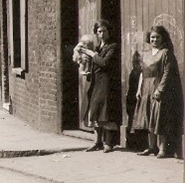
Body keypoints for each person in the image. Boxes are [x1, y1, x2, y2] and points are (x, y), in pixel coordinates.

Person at [131, 25, 183, 158]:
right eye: (152, 37)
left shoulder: (166, 53)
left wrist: (160, 90)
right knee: (148, 117)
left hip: (158, 88)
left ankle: (162, 149)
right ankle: (151, 147)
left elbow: (167, 73)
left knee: (159, 119)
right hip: (146, 89)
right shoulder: (146, 54)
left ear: (163, 38)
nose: (154, 40)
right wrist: (139, 89)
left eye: (157, 37)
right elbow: (142, 73)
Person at [77, 19, 122, 152]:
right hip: (95, 82)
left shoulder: (112, 46)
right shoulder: (97, 47)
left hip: (106, 83)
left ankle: (108, 142)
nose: (102, 34)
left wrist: (91, 54)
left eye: (104, 31)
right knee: (95, 110)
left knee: (105, 112)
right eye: (99, 31)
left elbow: (104, 63)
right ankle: (97, 141)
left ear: (109, 32)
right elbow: (90, 62)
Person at [73, 33, 97, 129]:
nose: (87, 46)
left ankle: (90, 122)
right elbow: (75, 54)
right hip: (84, 63)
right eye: (86, 44)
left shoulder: (92, 49)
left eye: (89, 44)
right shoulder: (80, 47)